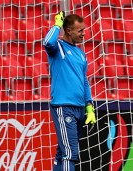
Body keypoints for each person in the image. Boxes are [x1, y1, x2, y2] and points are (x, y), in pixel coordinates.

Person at [43, 11, 96, 171]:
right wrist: (57, 25)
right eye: (80, 30)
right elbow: (47, 42)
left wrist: (89, 106)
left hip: (79, 109)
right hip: (64, 107)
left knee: (62, 152)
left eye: (84, 29)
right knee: (69, 153)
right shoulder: (57, 47)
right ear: (68, 30)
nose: (83, 34)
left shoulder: (81, 54)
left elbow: (84, 81)